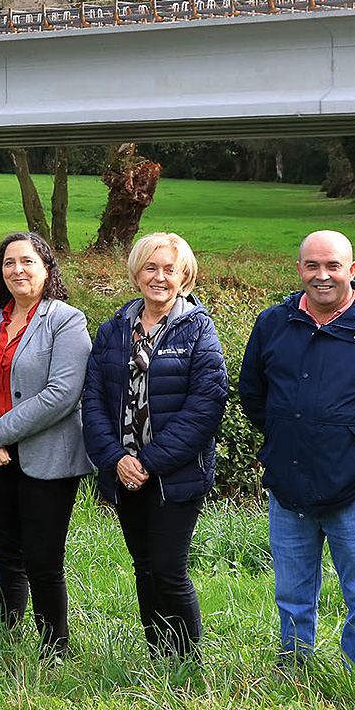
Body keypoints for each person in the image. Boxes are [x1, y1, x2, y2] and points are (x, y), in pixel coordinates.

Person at [237, 230, 355, 681]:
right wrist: (288, 437)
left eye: (332, 266)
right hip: (288, 486)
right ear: (299, 268)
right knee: (291, 593)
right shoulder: (273, 323)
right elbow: (253, 394)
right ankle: (293, 672)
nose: (321, 276)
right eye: (312, 266)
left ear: (352, 270)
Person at [82, 232, 227, 660]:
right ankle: (158, 658)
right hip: (124, 473)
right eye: (151, 267)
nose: (159, 277)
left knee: (168, 569)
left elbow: (206, 406)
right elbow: (92, 400)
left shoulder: (199, 328)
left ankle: (186, 665)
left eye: (170, 270)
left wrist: (146, 462)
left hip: (175, 476)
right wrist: (115, 459)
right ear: (136, 273)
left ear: (185, 277)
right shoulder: (113, 330)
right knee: (143, 567)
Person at [0, 232, 92, 657]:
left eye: (28, 261)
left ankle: (55, 652)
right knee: (3, 556)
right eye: (10, 262)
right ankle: (3, 643)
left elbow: (62, 395)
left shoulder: (67, 320)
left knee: (42, 561)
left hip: (47, 460)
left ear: (46, 268)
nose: (18, 270)